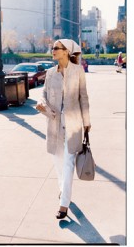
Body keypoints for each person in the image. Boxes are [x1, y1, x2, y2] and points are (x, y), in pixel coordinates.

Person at [36, 39, 91, 219]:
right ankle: (63, 189)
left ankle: (64, 203)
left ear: (67, 51)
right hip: (53, 123)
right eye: (52, 48)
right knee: (58, 163)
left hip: (73, 125)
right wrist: (42, 103)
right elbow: (43, 94)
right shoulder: (50, 73)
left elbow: (83, 97)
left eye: (56, 48)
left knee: (68, 163)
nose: (53, 50)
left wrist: (86, 121)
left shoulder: (78, 71)